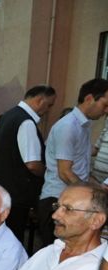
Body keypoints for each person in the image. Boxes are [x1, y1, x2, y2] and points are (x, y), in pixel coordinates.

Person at [0, 85, 56, 243]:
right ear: (39, 100)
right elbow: (33, 164)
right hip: (14, 195)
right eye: (49, 105)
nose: (48, 110)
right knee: (10, 240)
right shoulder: (26, 122)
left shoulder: (9, 115)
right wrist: (50, 174)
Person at [38, 78, 108, 246]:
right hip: (57, 202)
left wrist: (98, 186)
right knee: (56, 255)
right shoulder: (69, 126)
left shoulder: (82, 126)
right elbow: (65, 172)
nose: (106, 111)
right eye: (105, 105)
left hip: (70, 201)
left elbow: (81, 170)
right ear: (89, 98)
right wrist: (93, 194)